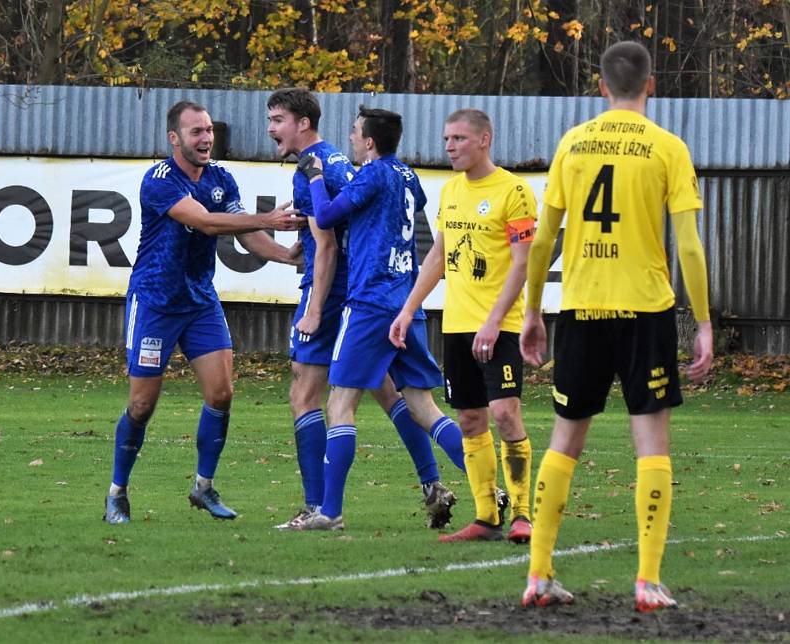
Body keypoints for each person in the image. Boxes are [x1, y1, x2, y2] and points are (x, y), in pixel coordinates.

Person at [518, 41, 713, 612]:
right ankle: (648, 583)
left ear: (601, 86)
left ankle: (538, 575)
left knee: (564, 441)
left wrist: (532, 311)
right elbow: (691, 247)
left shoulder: (572, 144)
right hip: (645, 310)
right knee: (650, 444)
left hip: (581, 307)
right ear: (650, 85)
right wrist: (701, 321)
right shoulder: (667, 148)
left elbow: (543, 241)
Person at [266, 89, 462, 531]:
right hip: (398, 298)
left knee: (315, 398)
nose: (271, 128)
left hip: (356, 296)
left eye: (277, 119)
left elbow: (330, 236)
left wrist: (315, 307)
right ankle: (445, 485)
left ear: (302, 122)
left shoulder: (319, 167)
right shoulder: (372, 168)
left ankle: (321, 507)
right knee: (401, 396)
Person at [103, 100, 305, 524]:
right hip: (155, 301)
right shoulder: (159, 180)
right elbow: (208, 223)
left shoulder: (220, 178)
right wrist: (267, 217)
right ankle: (117, 494)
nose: (206, 138)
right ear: (174, 138)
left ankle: (204, 488)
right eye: (196, 131)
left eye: (209, 130)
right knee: (141, 405)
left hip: (199, 302)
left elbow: (246, 236)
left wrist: (287, 255)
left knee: (222, 393)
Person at [390, 109, 537, 544]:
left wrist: (493, 322)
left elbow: (522, 263)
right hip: (457, 325)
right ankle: (487, 517)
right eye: (446, 139)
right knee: (471, 418)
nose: (449, 147)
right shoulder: (451, 191)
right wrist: (407, 309)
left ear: (484, 140)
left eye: (458, 139)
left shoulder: (515, 191)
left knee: (506, 413)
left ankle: (523, 514)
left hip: (501, 325)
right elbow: (437, 256)